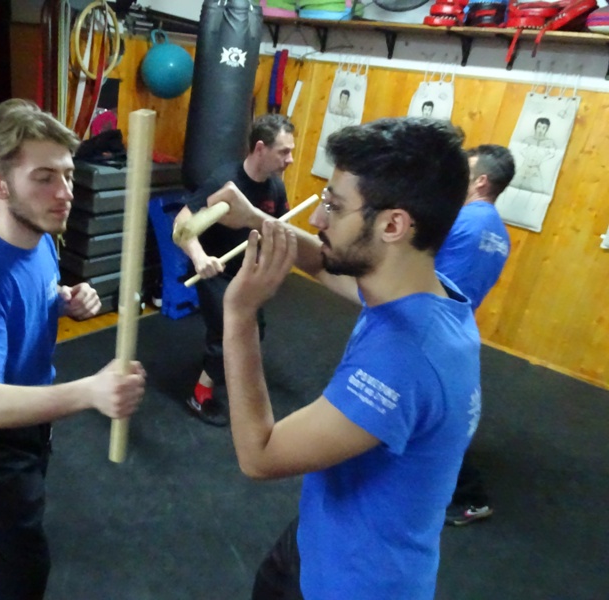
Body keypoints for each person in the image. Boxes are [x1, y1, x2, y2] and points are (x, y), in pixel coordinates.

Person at [208, 117, 481, 598]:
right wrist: (255, 219)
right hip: (321, 540)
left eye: (333, 207)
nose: (317, 219)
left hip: (353, 583)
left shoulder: (402, 360)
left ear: (392, 225)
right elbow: (325, 261)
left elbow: (260, 454)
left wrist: (239, 315)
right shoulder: (427, 295)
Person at [0, 98, 146, 600]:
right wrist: (91, 392)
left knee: (2, 520)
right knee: (21, 566)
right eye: (44, 177)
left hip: (32, 413)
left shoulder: (41, 237)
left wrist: (64, 302)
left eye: (67, 175)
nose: (64, 193)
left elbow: (29, 298)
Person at [173, 113, 295, 426]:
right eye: (284, 152)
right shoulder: (224, 183)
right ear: (259, 149)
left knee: (257, 329)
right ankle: (199, 394)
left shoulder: (275, 189)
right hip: (215, 268)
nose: (290, 159)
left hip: (247, 271)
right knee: (228, 328)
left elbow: (278, 227)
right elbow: (182, 222)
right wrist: (199, 258)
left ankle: (231, 370)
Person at [435, 144, 515, 525]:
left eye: (465, 172)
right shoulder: (500, 233)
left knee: (440, 414)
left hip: (434, 324)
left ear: (481, 180)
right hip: (459, 326)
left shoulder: (463, 220)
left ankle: (472, 497)